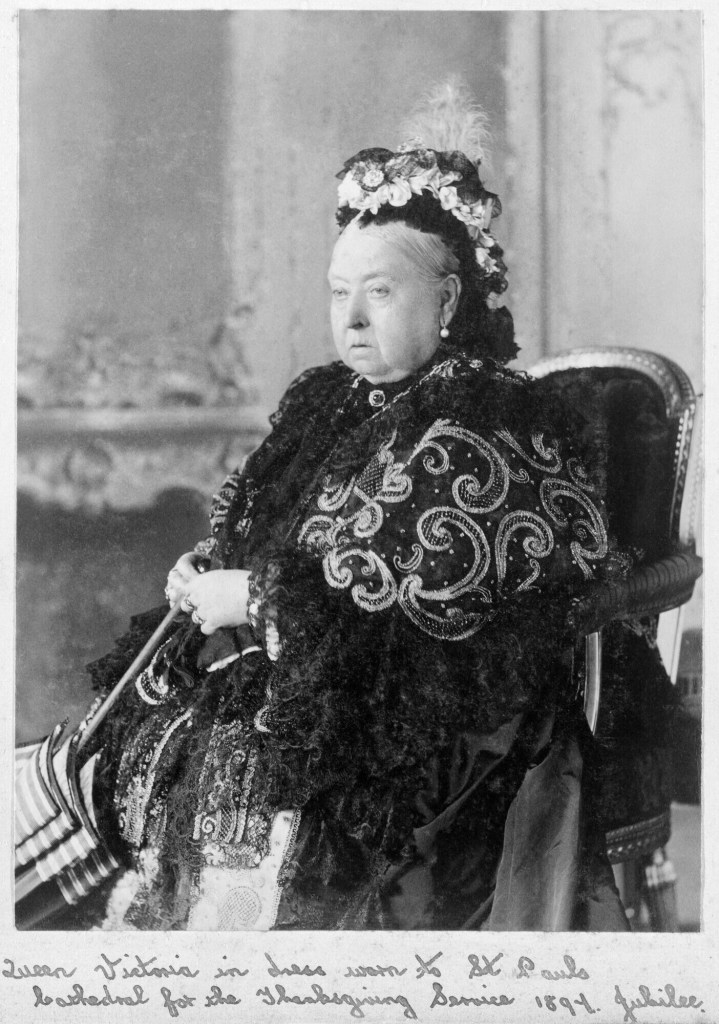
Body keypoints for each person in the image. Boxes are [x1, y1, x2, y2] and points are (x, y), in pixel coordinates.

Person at [64, 97, 631, 932]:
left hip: (443, 716)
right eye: (338, 293)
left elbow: (428, 624)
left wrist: (254, 600)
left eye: (379, 292)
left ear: (447, 299)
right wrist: (209, 573)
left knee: (258, 775)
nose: (352, 318)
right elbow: (268, 533)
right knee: (136, 737)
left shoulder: (487, 423)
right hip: (315, 671)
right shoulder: (330, 401)